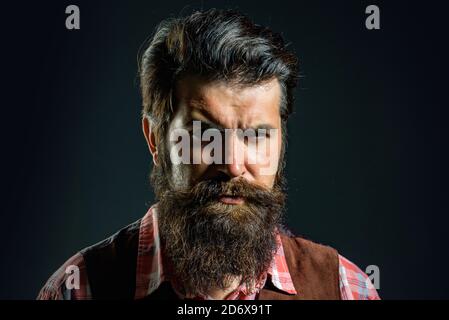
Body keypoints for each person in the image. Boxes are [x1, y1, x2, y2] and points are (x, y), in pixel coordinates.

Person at [38, 8, 379, 300]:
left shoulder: (345, 289)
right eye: (204, 134)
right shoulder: (79, 289)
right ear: (155, 140)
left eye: (256, 135)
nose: (231, 163)